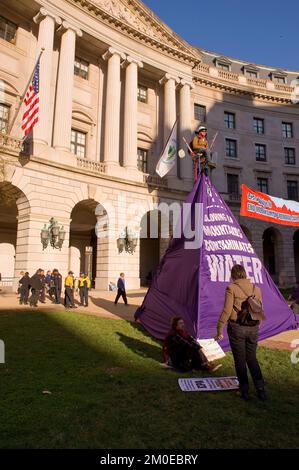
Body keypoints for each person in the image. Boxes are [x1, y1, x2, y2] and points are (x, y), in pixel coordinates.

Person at [215, 264, 266, 401]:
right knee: (252, 358)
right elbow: (260, 309)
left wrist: (219, 328)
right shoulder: (257, 289)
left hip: (237, 327)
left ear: (233, 275)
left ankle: (244, 391)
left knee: (240, 361)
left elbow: (226, 310)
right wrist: (257, 326)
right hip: (253, 328)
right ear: (244, 273)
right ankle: (260, 389)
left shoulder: (231, 288)